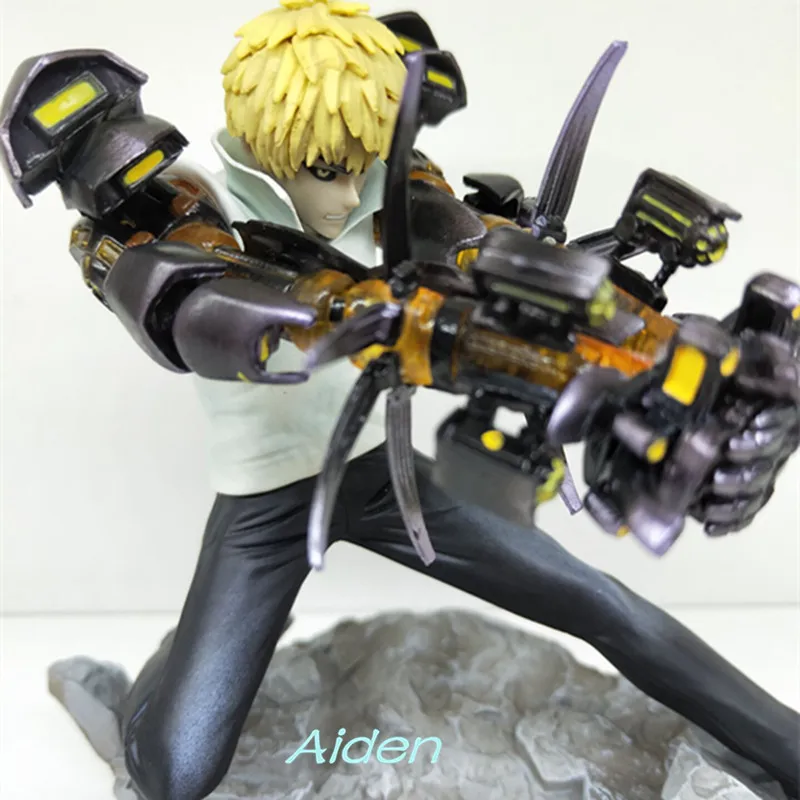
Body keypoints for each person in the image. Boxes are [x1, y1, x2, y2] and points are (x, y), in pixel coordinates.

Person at [1, 2, 797, 798]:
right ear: (269, 146)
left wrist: (654, 351)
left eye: (364, 163)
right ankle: (165, 669)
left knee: (602, 603)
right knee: (174, 773)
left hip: (383, 475)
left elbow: (466, 241)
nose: (350, 193)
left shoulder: (386, 178)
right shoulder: (173, 210)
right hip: (265, 509)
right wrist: (345, 314)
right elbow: (188, 308)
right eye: (327, 171)